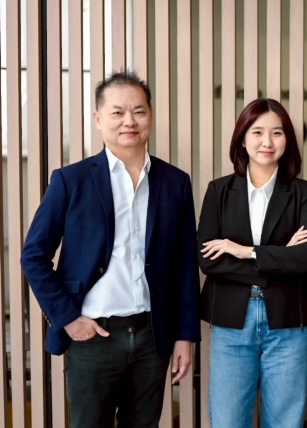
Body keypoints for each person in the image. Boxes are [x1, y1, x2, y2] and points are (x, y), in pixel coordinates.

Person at [20, 70, 200, 427]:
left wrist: (185, 336)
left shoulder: (175, 182)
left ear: (151, 116)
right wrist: (68, 319)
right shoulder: (71, 180)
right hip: (94, 337)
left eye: (139, 111)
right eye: (117, 112)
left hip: (152, 336)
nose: (129, 121)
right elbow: (34, 255)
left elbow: (184, 265)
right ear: (98, 118)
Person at [198, 98, 307, 428]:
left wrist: (245, 251)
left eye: (277, 133)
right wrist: (281, 255)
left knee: (285, 422)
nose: (267, 141)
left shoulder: (303, 192)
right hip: (231, 322)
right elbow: (208, 260)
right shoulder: (219, 191)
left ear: (288, 140)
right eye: (257, 132)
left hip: (290, 322)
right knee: (227, 422)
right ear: (242, 139)